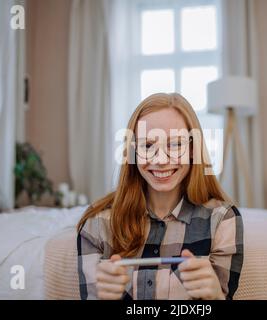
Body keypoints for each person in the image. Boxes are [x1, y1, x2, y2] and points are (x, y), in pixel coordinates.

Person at [77, 93, 243, 300]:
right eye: (147, 146)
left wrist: (216, 296)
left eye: (175, 144)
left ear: (193, 149)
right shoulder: (96, 225)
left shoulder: (222, 220)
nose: (161, 159)